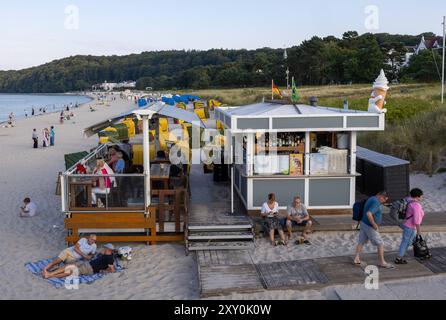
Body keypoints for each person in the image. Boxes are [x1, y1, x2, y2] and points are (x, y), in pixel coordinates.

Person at [354, 191, 395, 269]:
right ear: (381, 196)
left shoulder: (371, 198)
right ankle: (382, 262)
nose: (383, 202)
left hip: (363, 223)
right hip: (369, 226)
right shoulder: (376, 202)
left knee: (361, 242)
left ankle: (356, 259)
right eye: (384, 200)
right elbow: (369, 213)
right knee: (380, 243)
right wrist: (374, 224)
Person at [43, 244, 116, 279]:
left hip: (90, 269)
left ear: (108, 249)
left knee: (71, 272)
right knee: (68, 266)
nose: (103, 248)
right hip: (87, 264)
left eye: (105, 247)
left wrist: (104, 270)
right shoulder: (105, 254)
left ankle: (50, 275)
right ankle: (50, 273)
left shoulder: (109, 258)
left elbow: (112, 270)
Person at [395, 189, 425, 265]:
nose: (422, 198)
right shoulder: (416, 205)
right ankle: (398, 258)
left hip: (406, 224)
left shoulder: (408, 200)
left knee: (413, 240)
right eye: (421, 196)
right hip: (411, 227)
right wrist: (419, 230)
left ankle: (422, 253)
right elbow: (416, 219)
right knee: (406, 242)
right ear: (418, 196)